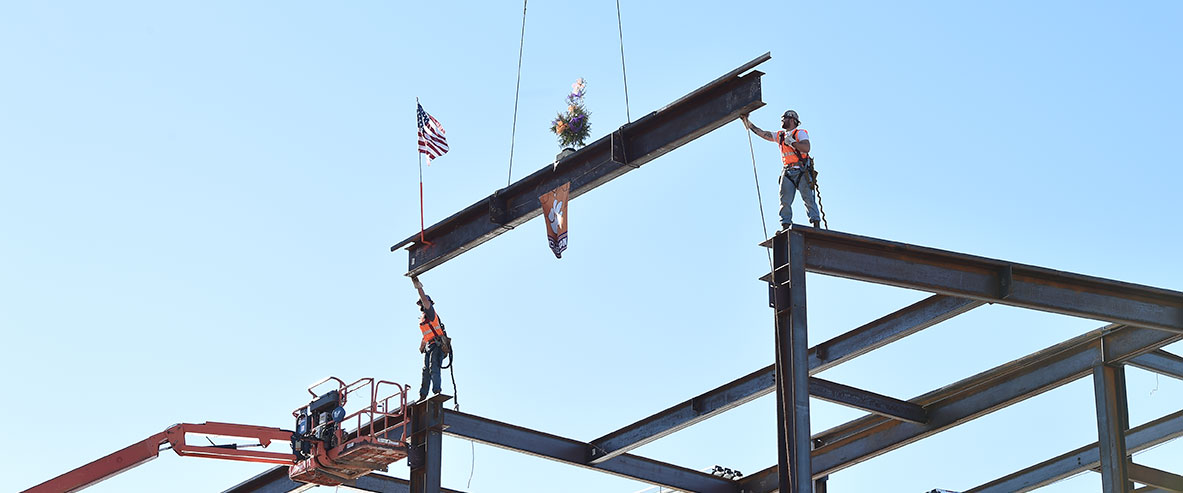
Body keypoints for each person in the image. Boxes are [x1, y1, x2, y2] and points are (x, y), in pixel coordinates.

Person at [741, 109, 820, 230]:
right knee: (784, 200)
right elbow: (762, 133)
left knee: (808, 198)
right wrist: (748, 122)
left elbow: (806, 148)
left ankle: (816, 223)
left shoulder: (800, 133)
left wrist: (793, 143)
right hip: (788, 171)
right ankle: (785, 224)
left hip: (801, 170)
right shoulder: (780, 136)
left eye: (785, 118)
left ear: (793, 120)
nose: (783, 120)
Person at [412, 276, 449, 401]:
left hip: (437, 345)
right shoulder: (424, 319)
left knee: (434, 368)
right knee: (425, 371)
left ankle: (437, 391)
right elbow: (427, 333)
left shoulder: (431, 313)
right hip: (429, 345)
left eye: (422, 303)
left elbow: (424, 299)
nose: (421, 305)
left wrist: (419, 288)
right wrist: (422, 344)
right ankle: (423, 395)